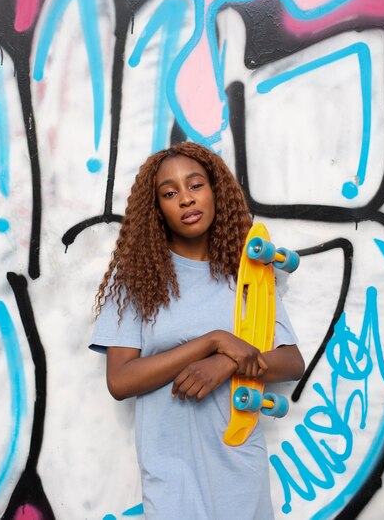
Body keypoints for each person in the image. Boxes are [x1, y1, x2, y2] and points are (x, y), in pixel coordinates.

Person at [89, 142, 304, 520]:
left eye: (196, 185)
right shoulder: (138, 278)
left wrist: (227, 364)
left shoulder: (247, 273)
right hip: (170, 472)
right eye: (170, 193)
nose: (186, 200)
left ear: (215, 191)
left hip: (239, 465)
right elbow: (120, 381)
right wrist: (213, 342)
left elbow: (291, 361)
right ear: (158, 209)